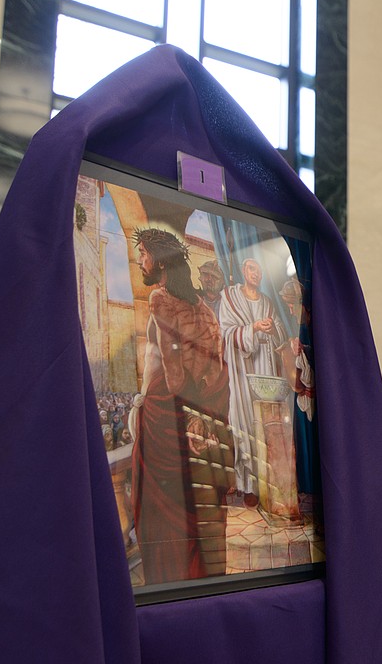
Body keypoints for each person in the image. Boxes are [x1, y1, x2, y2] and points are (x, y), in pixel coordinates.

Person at [129, 228, 233, 584]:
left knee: (166, 507)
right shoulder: (204, 311)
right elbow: (215, 373)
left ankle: (171, 582)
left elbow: (171, 374)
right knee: (195, 501)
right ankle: (203, 578)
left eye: (143, 253)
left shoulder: (160, 300)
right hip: (199, 415)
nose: (140, 260)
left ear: (157, 260)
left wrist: (144, 405)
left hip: (166, 415)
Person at [218, 257, 287, 505]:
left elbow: (280, 332)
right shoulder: (230, 297)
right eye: (251, 269)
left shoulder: (268, 303)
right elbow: (225, 332)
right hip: (241, 372)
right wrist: (252, 328)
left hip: (264, 369)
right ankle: (249, 485)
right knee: (244, 421)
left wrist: (271, 330)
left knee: (267, 424)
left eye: (258, 270)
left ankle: (270, 483)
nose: (255, 273)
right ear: (243, 271)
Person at [277, 278, 315, 421]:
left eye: (292, 306)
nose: (291, 312)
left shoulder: (315, 322)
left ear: (302, 303)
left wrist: (304, 348)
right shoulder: (302, 325)